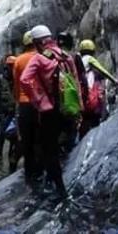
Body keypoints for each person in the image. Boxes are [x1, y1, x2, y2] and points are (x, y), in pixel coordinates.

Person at [20, 24, 82, 200]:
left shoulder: (39, 59)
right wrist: (80, 107)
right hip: (68, 107)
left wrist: (38, 99)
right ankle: (55, 183)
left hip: (50, 110)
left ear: (38, 42)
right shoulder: (65, 56)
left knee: (49, 150)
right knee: (64, 145)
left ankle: (59, 188)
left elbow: (25, 80)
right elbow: (76, 81)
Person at [13, 30, 42, 185]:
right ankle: (40, 171)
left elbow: (17, 85)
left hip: (24, 103)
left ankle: (29, 175)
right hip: (40, 103)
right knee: (40, 138)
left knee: (27, 140)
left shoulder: (19, 61)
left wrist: (17, 101)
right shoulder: (41, 57)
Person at [78, 39, 118, 138]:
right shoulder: (90, 59)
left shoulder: (78, 59)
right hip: (90, 92)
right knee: (94, 115)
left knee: (84, 120)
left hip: (81, 91)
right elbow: (102, 70)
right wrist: (114, 80)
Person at [0, 55, 18, 165]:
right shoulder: (0, 79)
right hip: (3, 111)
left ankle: (11, 153)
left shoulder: (16, 79)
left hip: (13, 110)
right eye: (11, 65)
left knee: (14, 133)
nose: (12, 68)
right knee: (2, 133)